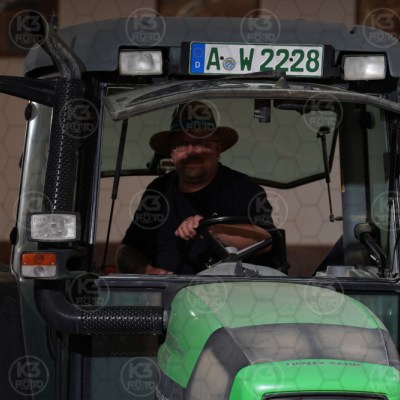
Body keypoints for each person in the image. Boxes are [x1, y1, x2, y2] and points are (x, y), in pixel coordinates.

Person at [117, 101, 280, 274]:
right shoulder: (158, 190)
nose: (191, 152)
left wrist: (211, 229)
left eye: (200, 142)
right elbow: (128, 250)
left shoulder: (242, 188)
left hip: (226, 288)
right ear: (171, 153)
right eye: (181, 144)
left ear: (217, 149)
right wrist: (149, 272)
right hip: (166, 289)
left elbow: (265, 242)